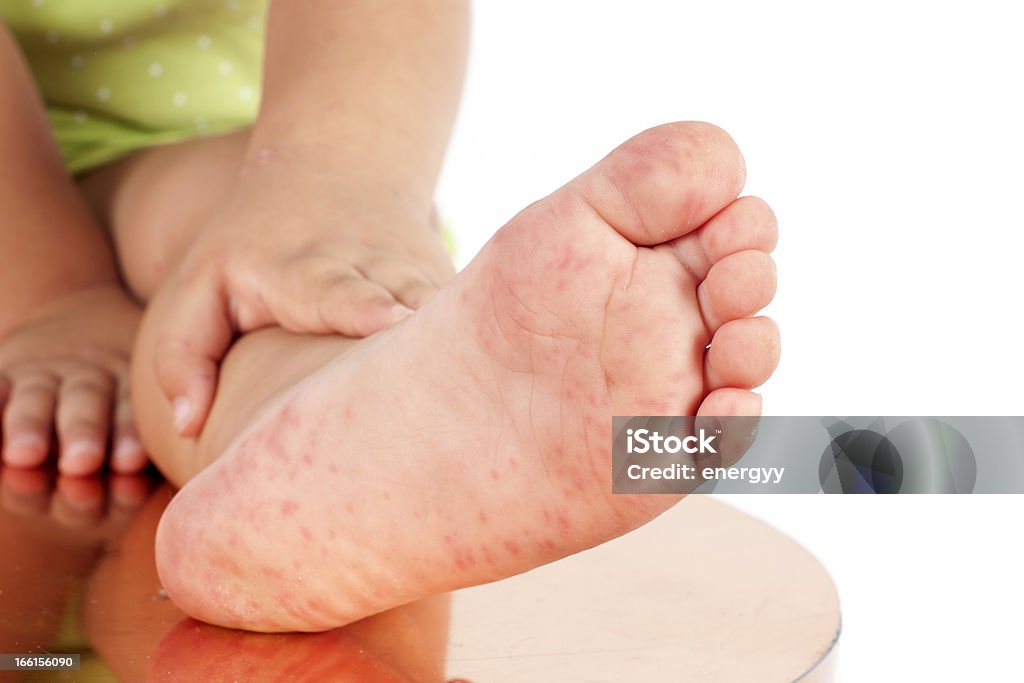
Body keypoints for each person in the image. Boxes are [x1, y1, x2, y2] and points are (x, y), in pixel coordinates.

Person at [0, 0, 780, 631]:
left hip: (236, 144)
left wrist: (329, 180)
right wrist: (46, 293)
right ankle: (351, 413)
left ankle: (341, 448)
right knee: (241, 308)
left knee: (288, 289)